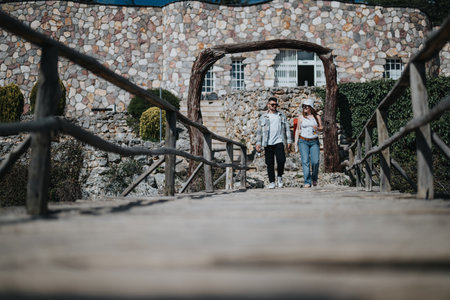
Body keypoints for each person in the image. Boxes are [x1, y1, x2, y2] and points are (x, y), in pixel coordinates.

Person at [256, 97, 292, 189]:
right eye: (272, 104)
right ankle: (272, 181)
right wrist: (258, 143)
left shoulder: (281, 115)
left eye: (276, 105)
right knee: (269, 163)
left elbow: (287, 128)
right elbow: (259, 131)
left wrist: (289, 141)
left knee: (281, 160)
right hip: (267, 143)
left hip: (279, 141)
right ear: (268, 105)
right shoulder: (263, 117)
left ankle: (279, 177)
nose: (274, 106)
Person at [294, 99, 323, 188]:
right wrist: (295, 143)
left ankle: (314, 178)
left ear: (311, 107)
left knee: (315, 161)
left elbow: (322, 128)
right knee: (305, 161)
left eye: (306, 106)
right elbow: (298, 130)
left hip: (314, 141)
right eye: (303, 106)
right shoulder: (300, 117)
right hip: (303, 141)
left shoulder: (317, 117)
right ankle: (307, 181)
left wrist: (317, 128)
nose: (305, 108)